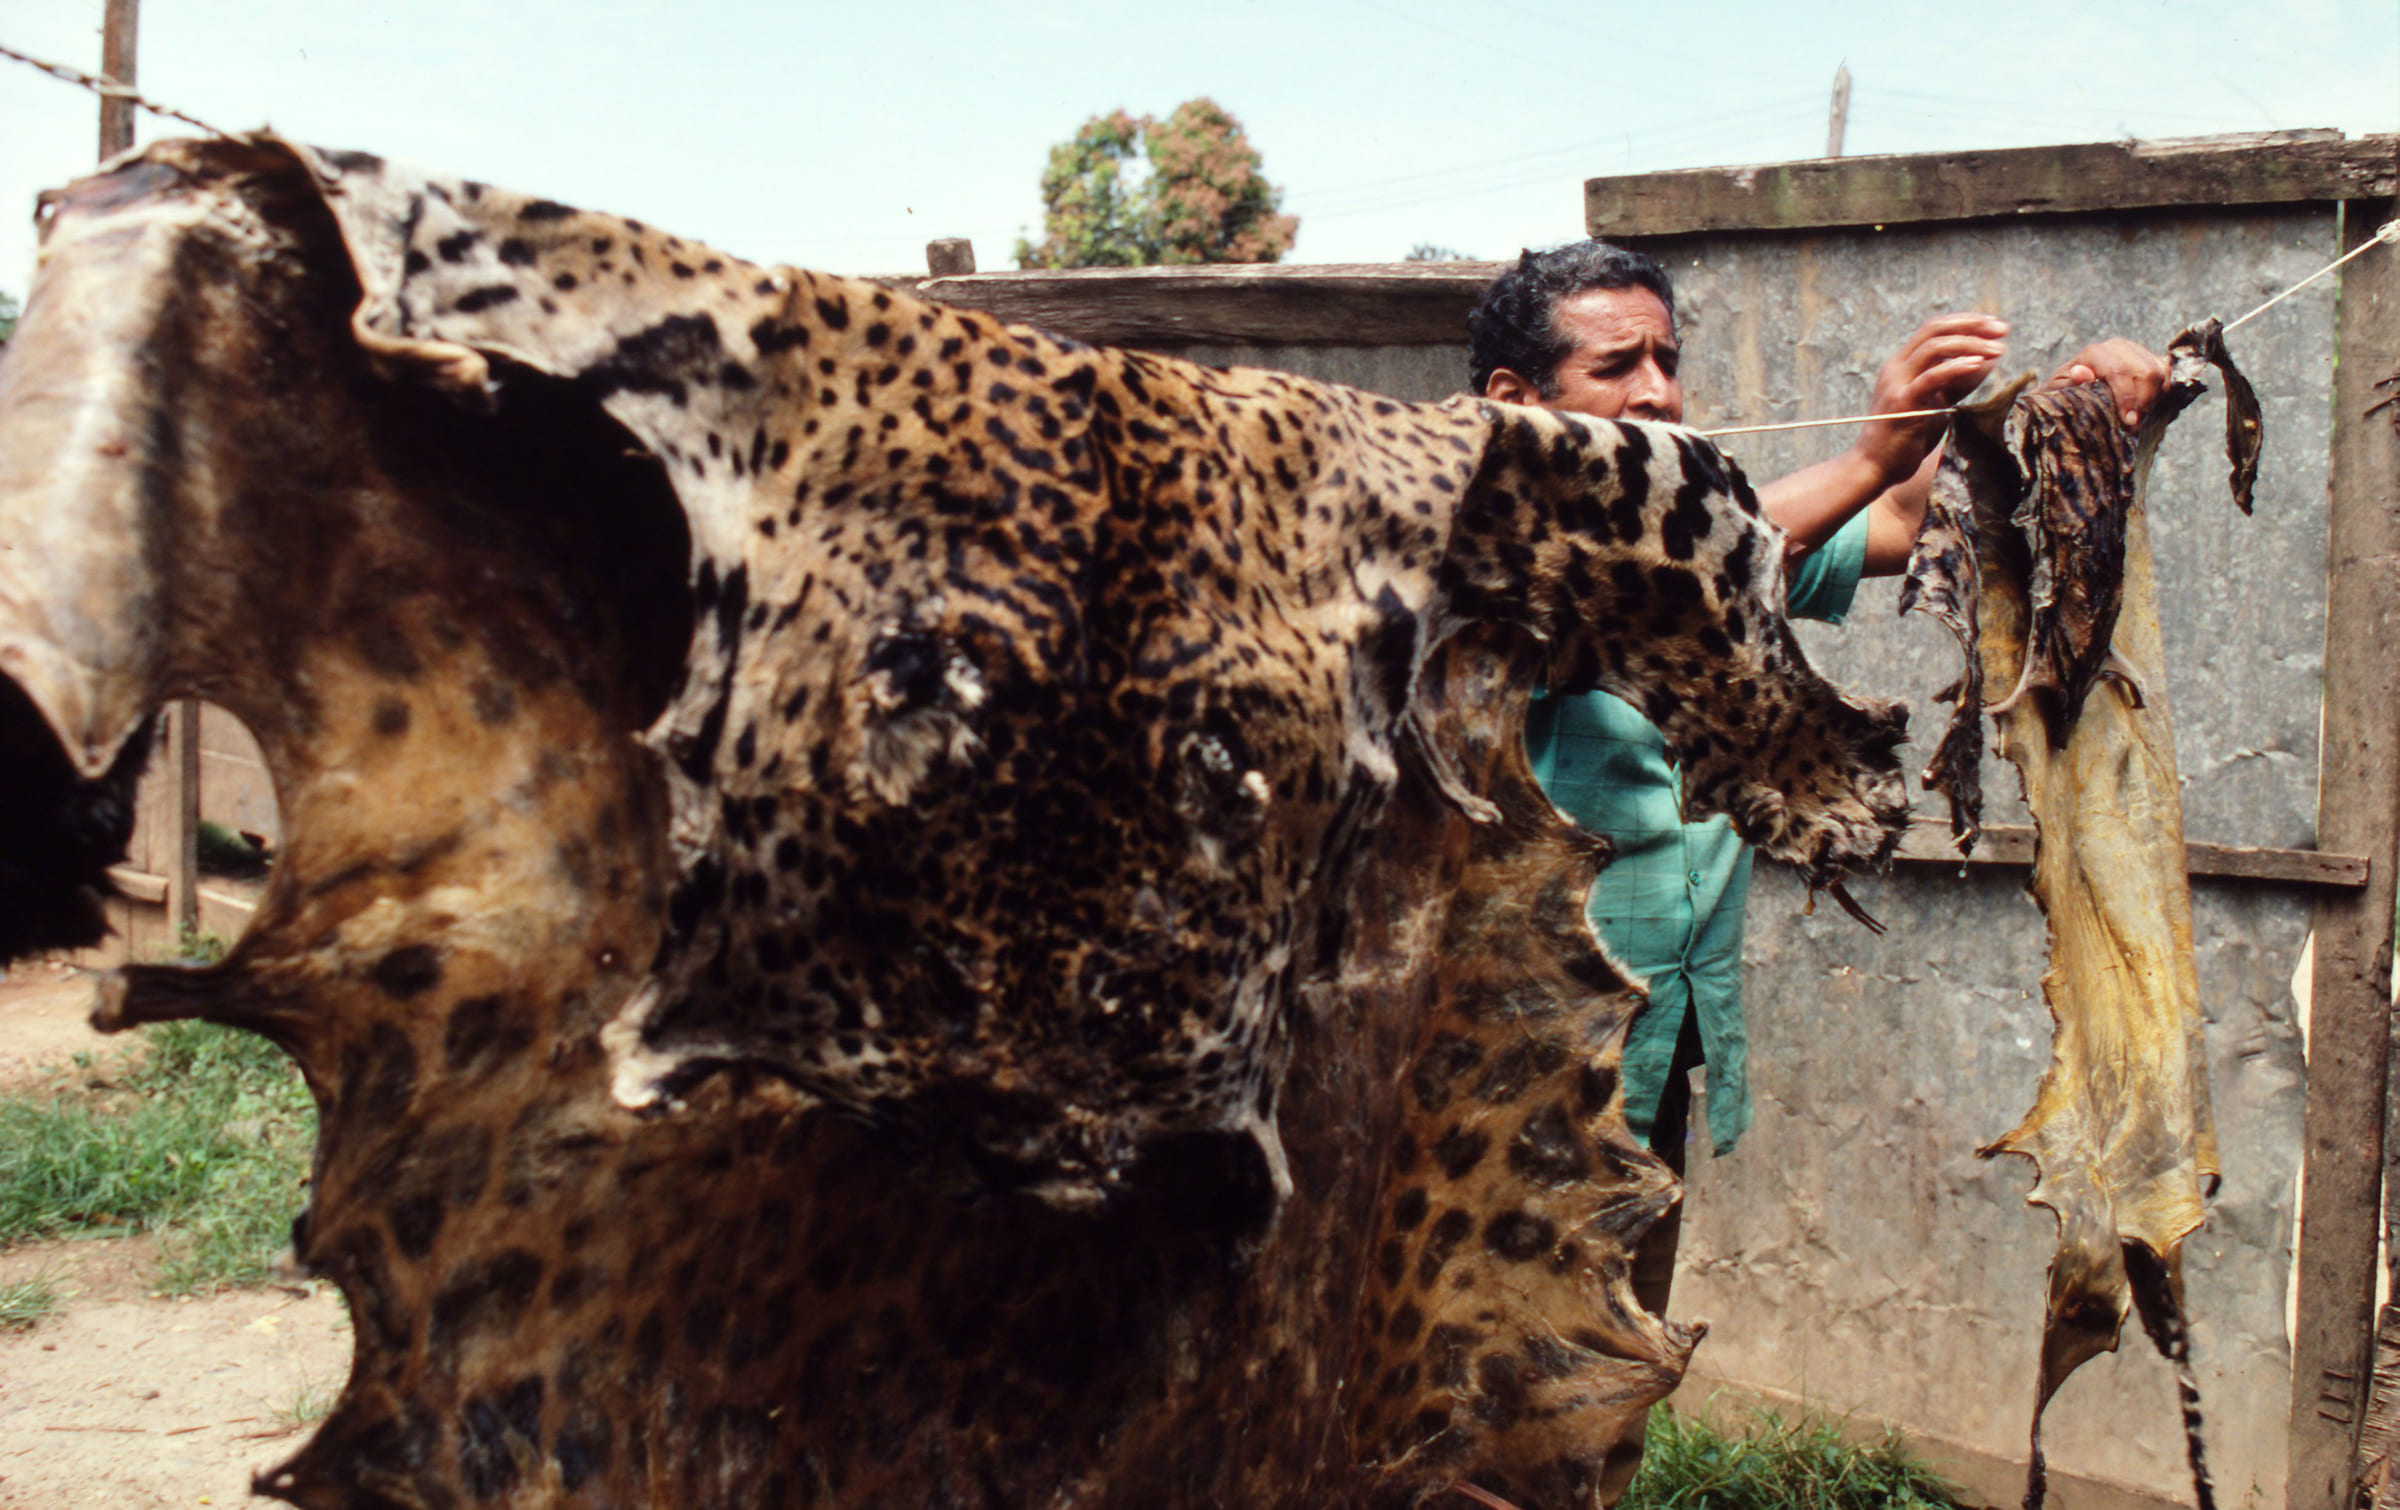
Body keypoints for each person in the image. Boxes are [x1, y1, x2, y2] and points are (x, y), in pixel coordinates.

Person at [1464, 240, 2168, 1319]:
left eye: (1667, 358)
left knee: (1615, 1352)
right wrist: (1867, 454)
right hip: (1516, 1070)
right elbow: (1652, 580)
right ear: (1516, 398)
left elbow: (1898, 520)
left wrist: (2055, 409)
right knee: (1503, 1365)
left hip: (1650, 1047)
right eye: (1616, 366)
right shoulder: (1470, 544)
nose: (1657, 391)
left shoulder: (1709, 519)